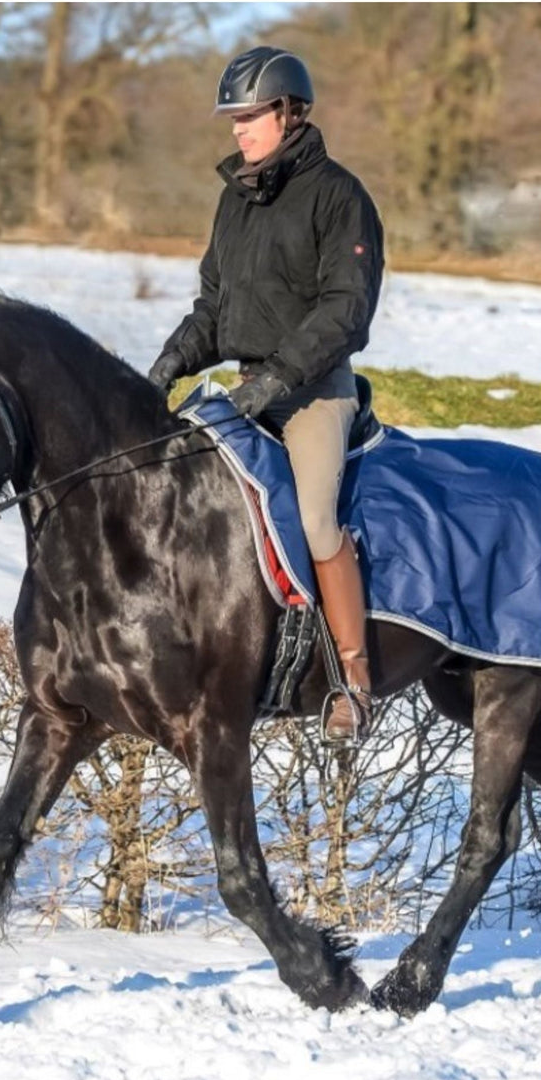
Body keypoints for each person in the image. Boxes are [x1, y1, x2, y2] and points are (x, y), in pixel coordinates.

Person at [147, 45, 385, 742]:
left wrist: (280, 377)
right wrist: (167, 365)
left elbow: (347, 309)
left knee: (314, 521)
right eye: (232, 118)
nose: (237, 129)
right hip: (249, 386)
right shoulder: (233, 200)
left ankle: (352, 680)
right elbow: (213, 310)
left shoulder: (340, 197)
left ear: (289, 112)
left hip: (315, 393)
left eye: (249, 115)